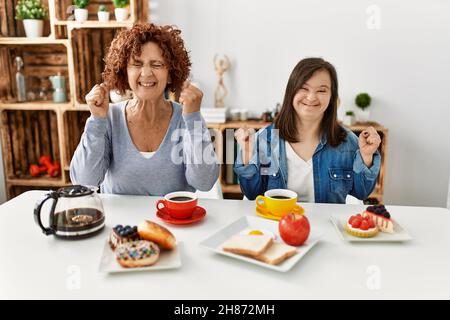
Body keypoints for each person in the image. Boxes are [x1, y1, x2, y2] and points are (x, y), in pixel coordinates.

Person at [70, 23, 219, 195]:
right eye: (137, 64)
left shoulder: (185, 118)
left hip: (173, 221)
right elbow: (84, 181)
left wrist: (193, 118)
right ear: (124, 71)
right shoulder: (109, 117)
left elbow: (204, 182)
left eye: (156, 64)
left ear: (170, 73)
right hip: (120, 222)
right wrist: (97, 121)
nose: (146, 73)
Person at [234, 57, 381, 203]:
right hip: (277, 223)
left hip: (326, 225)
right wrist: (247, 152)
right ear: (291, 92)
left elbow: (362, 193)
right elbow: (252, 194)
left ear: (332, 97)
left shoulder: (347, 141)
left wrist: (367, 156)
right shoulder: (265, 140)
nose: (311, 97)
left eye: (321, 90)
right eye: (304, 88)